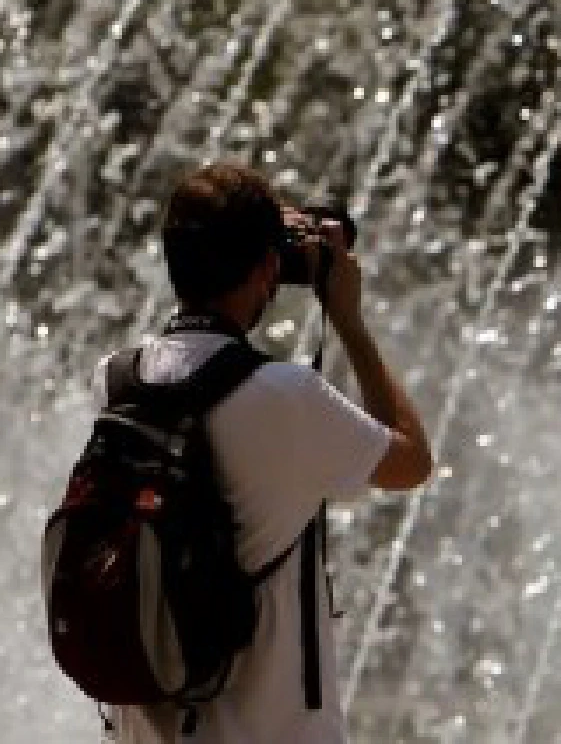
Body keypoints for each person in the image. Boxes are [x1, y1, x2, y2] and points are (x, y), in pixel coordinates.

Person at [98, 161, 434, 743]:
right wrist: (349, 322)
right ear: (267, 269)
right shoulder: (284, 397)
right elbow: (411, 462)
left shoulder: (117, 381)